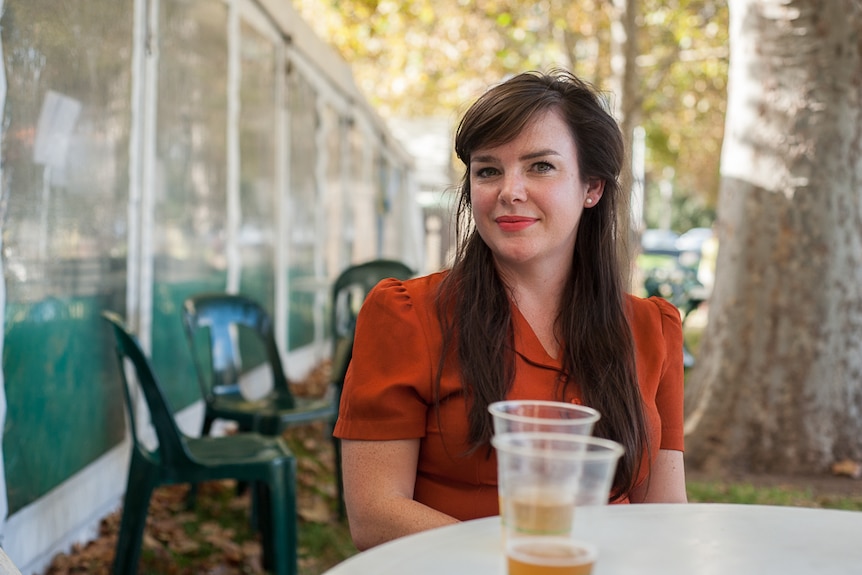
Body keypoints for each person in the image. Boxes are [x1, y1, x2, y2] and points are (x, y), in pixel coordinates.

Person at [333, 69, 687, 551]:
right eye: (488, 170)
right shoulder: (406, 314)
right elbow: (374, 516)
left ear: (592, 188)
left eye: (540, 166)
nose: (509, 191)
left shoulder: (652, 328)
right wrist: (526, 558)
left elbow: (664, 516)